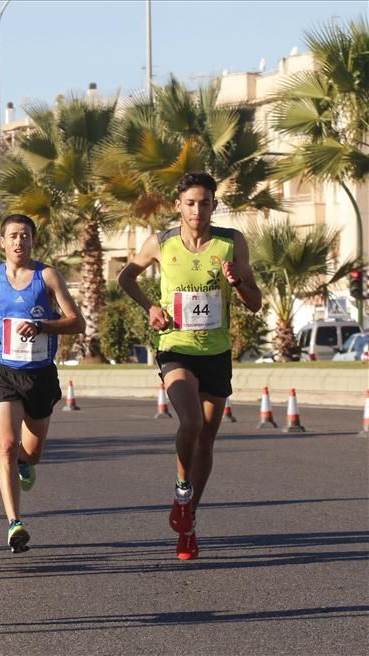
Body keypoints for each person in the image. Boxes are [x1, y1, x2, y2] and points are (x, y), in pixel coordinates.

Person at [118, 171, 261, 560]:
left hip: (215, 351)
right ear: (179, 205)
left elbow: (255, 301)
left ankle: (188, 519)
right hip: (176, 347)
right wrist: (150, 307)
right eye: (191, 203)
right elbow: (126, 277)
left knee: (208, 439)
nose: (198, 210)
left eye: (205, 203)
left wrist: (238, 284)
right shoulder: (161, 242)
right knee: (192, 423)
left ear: (215, 205)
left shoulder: (231, 242)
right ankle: (182, 488)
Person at [0, 214, 85, 553]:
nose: (19, 241)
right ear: (2, 242)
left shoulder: (47, 276)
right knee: (6, 446)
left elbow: (76, 322)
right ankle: (14, 522)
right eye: (13, 236)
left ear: (33, 240)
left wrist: (44, 327)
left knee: (31, 454)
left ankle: (26, 463)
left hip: (39, 374)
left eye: (25, 235)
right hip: (2, 372)